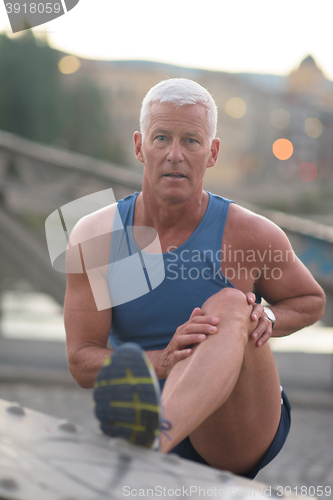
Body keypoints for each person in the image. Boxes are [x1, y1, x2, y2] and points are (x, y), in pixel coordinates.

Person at [64, 78, 325, 479]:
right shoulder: (97, 237)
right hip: (145, 400)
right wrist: (164, 362)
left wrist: (266, 320)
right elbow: (82, 362)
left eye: (191, 141)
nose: (174, 155)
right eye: (161, 138)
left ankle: (148, 448)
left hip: (237, 422)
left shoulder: (249, 234)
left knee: (230, 304)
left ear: (212, 152)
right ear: (139, 146)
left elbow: (311, 300)